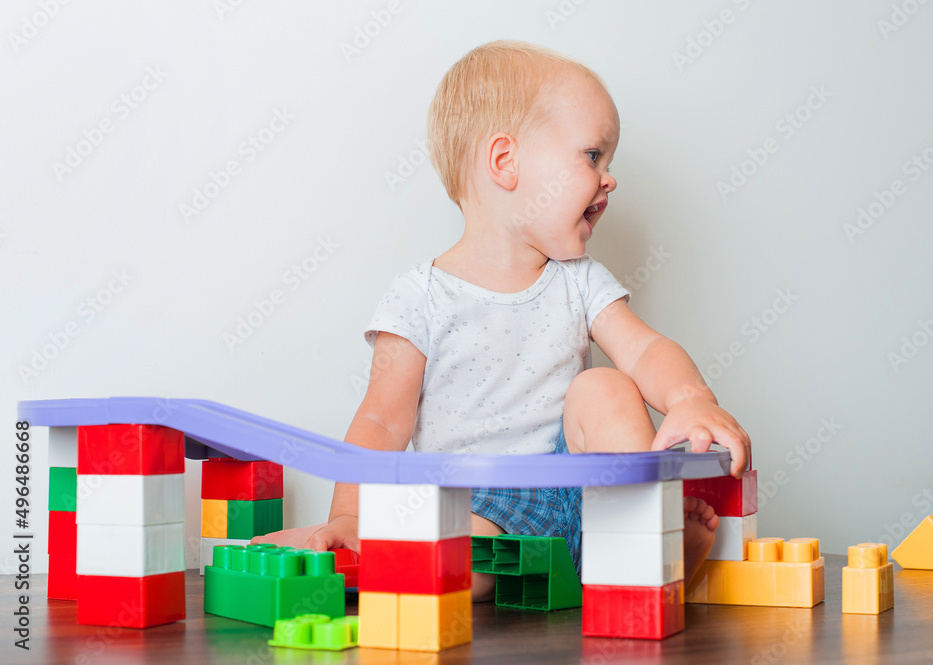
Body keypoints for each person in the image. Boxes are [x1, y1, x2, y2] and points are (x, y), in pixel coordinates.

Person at [254, 40, 751, 601]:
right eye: (593, 156)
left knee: (606, 384)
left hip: (585, 497)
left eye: (610, 163)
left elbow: (643, 349)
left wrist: (691, 400)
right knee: (445, 553)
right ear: (505, 162)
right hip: (475, 510)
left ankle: (643, 540)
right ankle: (624, 556)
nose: (609, 179)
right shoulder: (420, 297)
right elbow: (381, 424)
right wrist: (350, 521)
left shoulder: (579, 279)